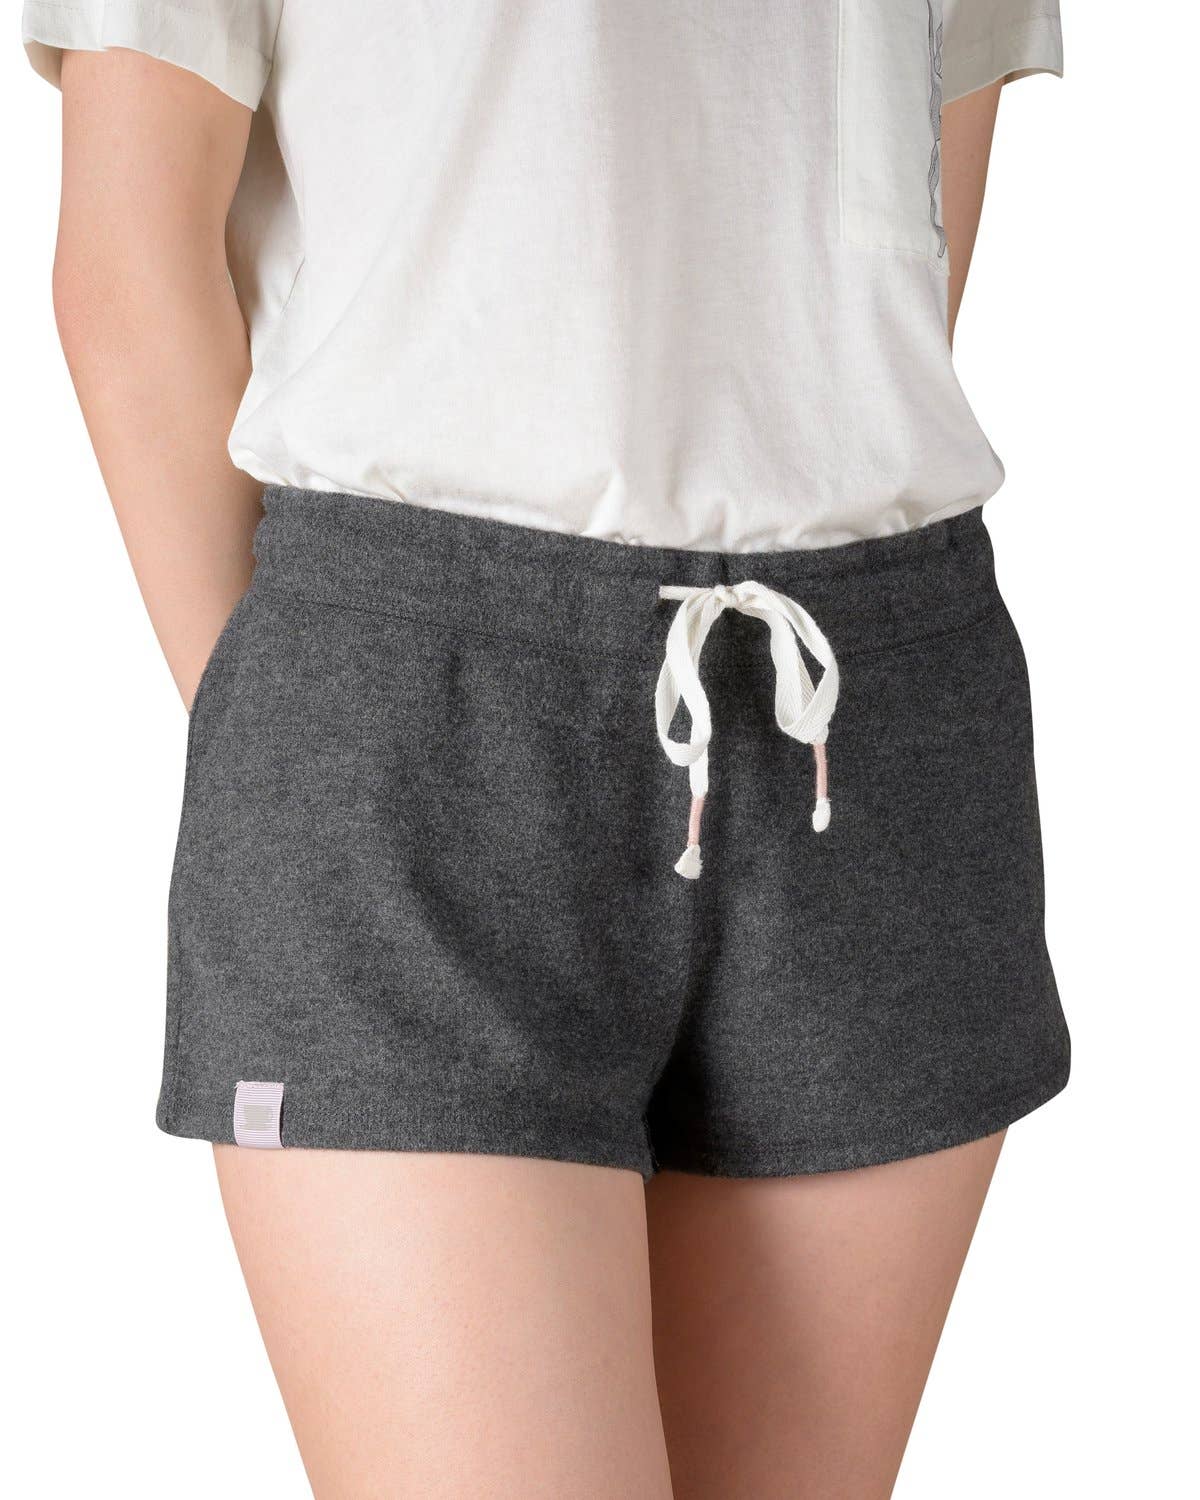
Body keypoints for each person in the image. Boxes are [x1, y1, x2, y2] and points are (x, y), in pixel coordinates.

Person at [22, 2, 1070, 1495]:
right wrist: (311, 740)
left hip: (868, 687)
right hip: (414, 691)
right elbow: (126, 266)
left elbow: (911, 214)